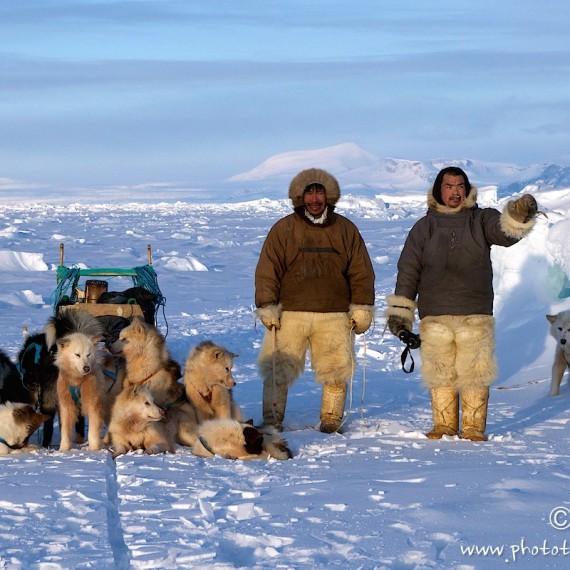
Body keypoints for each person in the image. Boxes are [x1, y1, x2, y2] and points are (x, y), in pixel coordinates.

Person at [386, 166, 538, 441]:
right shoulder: (424, 227)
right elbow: (409, 270)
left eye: (459, 186)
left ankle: (473, 429)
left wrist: (518, 214)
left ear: (466, 190)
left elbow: (504, 233)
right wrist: (401, 314)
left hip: (475, 313)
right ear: (438, 190)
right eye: (449, 186)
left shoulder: (481, 219)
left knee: (475, 373)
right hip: (435, 315)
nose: (455, 192)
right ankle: (443, 426)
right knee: (440, 372)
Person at [255, 168, 375, 433]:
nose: (314, 199)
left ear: (329, 196)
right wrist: (266, 305)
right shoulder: (284, 229)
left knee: (336, 369)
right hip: (290, 313)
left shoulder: (345, 229)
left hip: (334, 314)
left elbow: (361, 271)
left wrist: (362, 306)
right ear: (300, 197)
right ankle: (272, 419)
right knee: (278, 368)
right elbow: (268, 269)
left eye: (319, 192)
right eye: (309, 193)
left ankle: (331, 419)